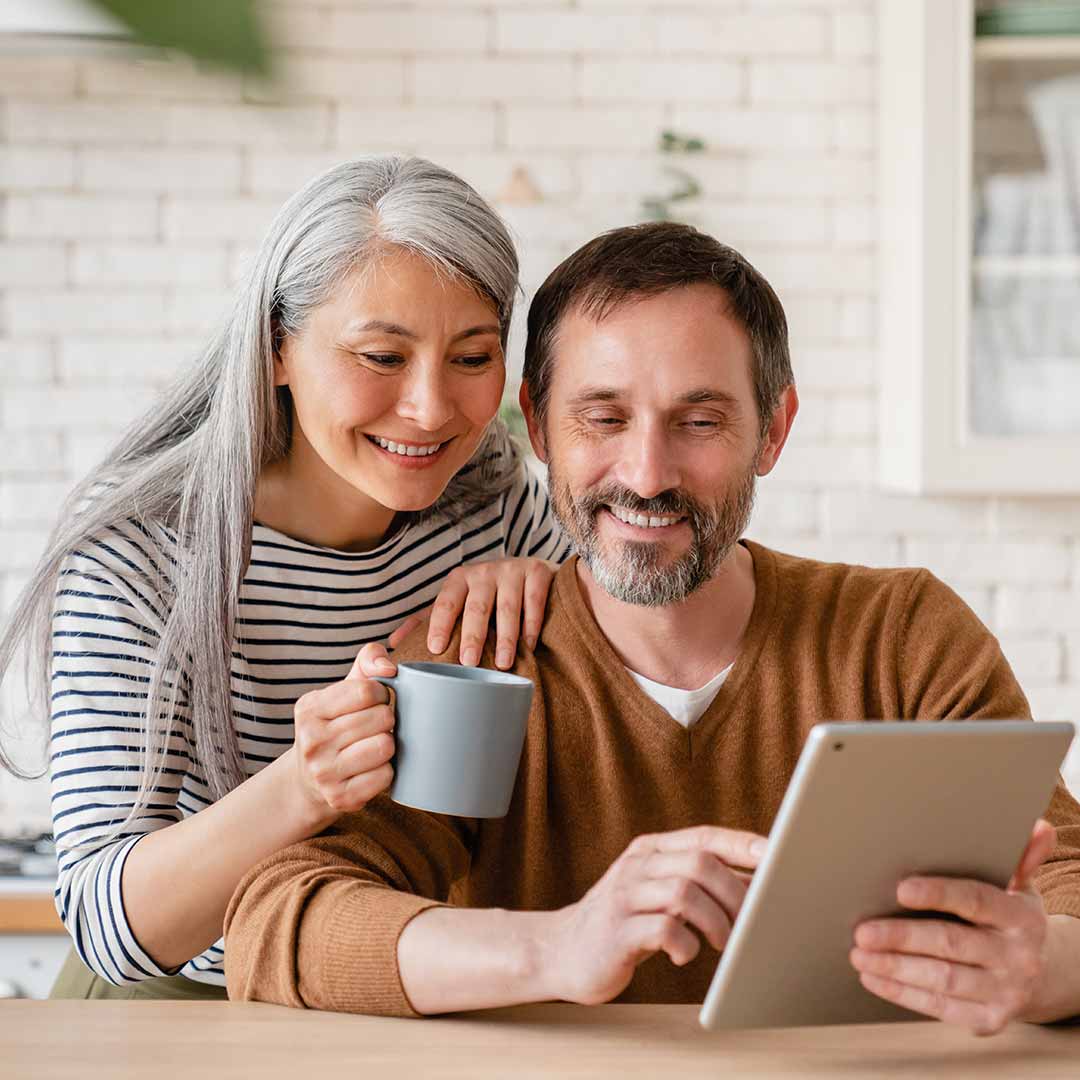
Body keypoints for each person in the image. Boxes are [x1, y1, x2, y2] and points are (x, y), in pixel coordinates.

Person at [223, 222, 1080, 1035]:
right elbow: (279, 921)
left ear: (772, 431)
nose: (646, 473)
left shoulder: (900, 639)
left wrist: (1039, 967)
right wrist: (560, 945)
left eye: (699, 422)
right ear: (539, 427)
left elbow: (1066, 878)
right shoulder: (471, 660)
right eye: (603, 418)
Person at [0, 156, 572, 999]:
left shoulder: (493, 503)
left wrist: (558, 592)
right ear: (276, 349)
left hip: (401, 984)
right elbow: (102, 922)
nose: (430, 407)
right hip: (187, 1001)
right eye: (381, 356)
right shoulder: (142, 554)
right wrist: (303, 785)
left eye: (472, 356)